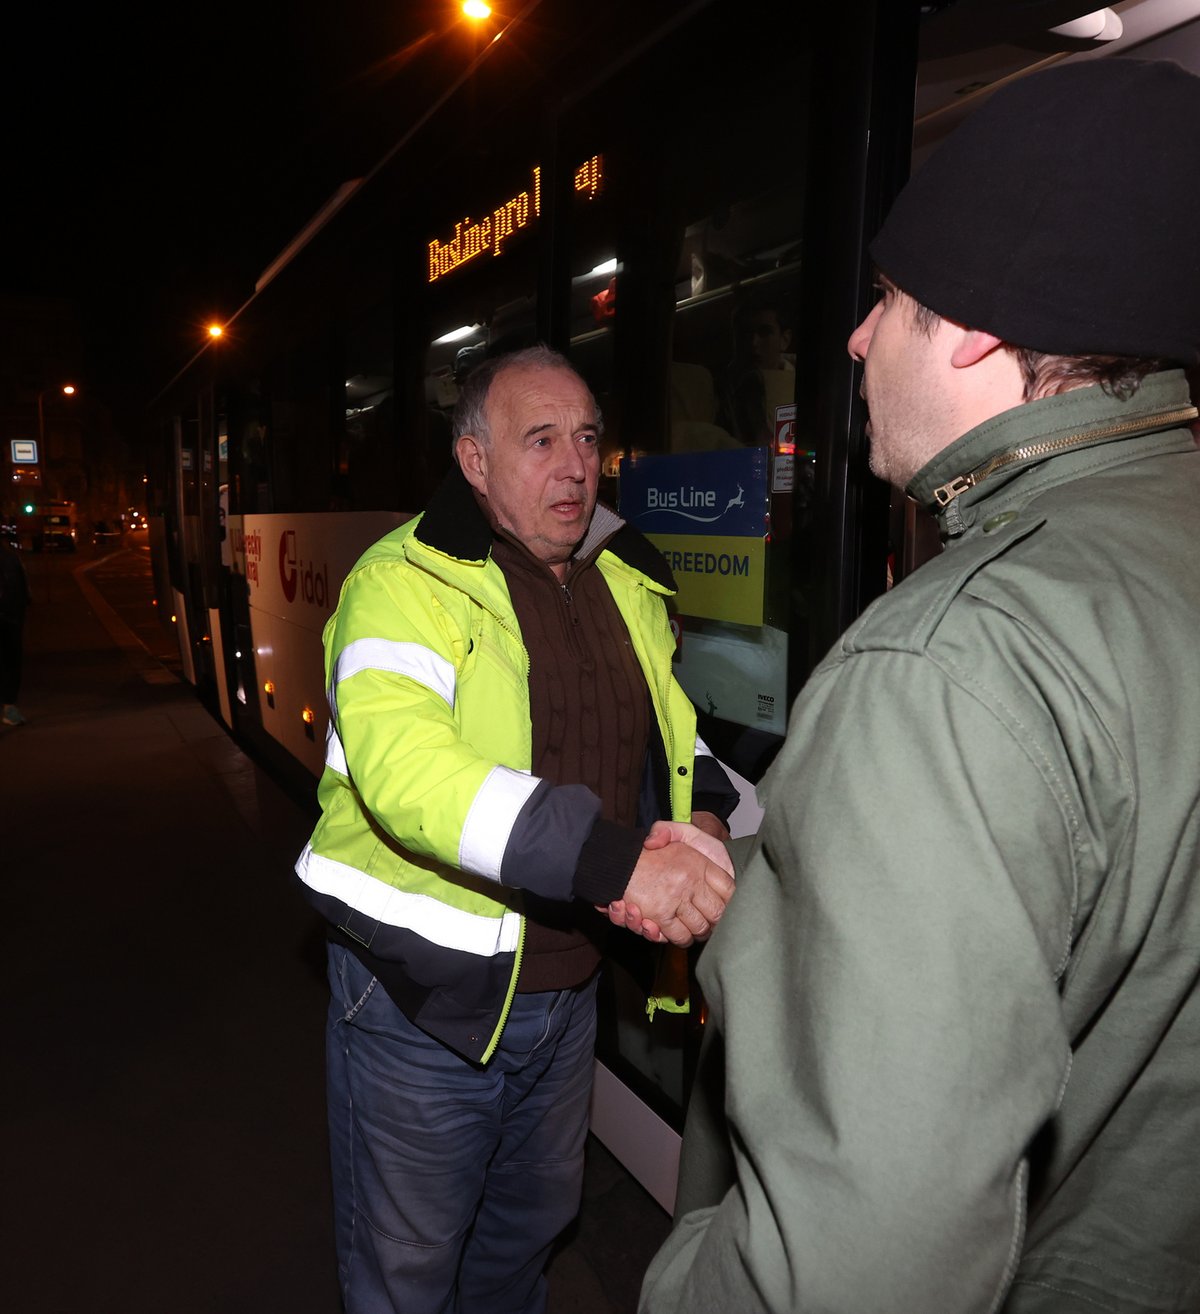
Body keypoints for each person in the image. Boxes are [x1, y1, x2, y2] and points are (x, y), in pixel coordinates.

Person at [635, 59, 1200, 1313]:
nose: (853, 335)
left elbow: (852, 1269)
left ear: (983, 326)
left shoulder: (943, 665)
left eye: (888, 297)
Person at [295, 343, 739, 1314]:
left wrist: (699, 819)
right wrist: (619, 863)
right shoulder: (403, 583)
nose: (576, 465)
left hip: (564, 1000)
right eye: (540, 440)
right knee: (405, 1276)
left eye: (587, 438)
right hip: (425, 1008)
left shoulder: (623, 573)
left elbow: (672, 730)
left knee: (522, 1247)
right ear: (475, 461)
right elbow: (410, 774)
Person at [0, 536, 31, 726]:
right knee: (10, 662)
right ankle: (9, 707)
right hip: (9, 619)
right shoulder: (11, 558)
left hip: (8, 617)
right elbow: (23, 592)